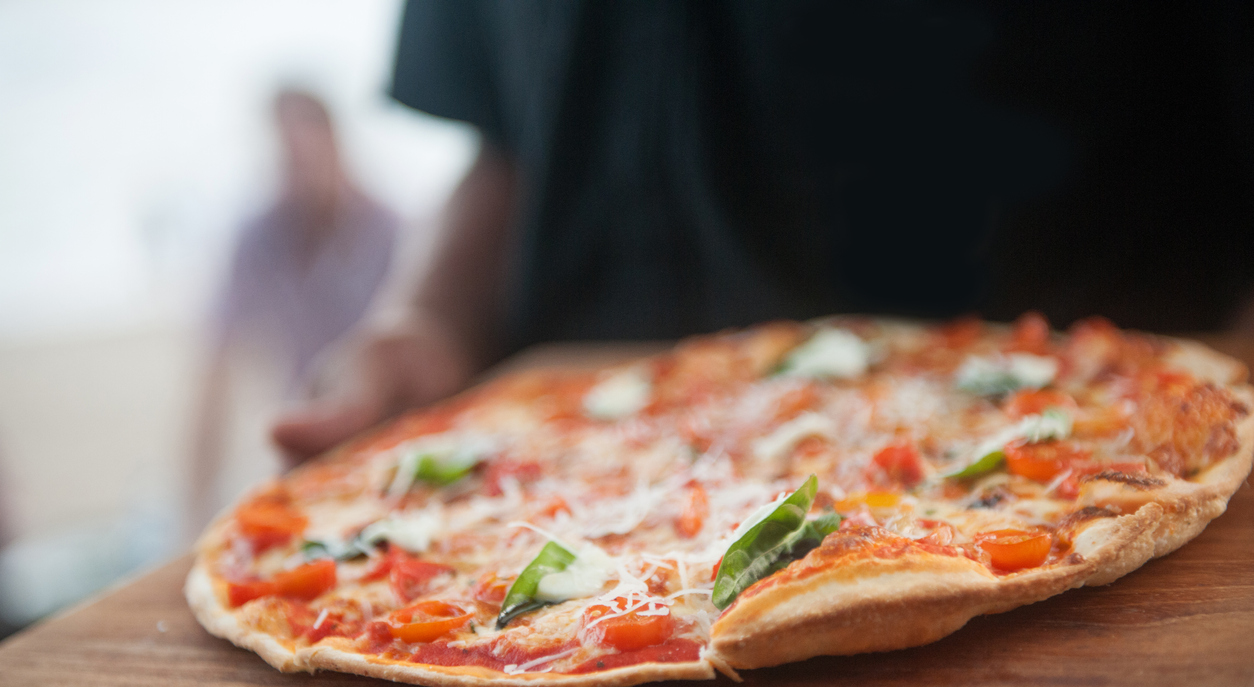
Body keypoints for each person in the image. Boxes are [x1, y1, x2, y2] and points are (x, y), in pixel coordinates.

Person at [273, 0, 1254, 466]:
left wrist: (1203, 433)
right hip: (582, 519)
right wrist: (424, 322)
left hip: (1060, 503)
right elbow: (508, 135)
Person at [191, 88, 400, 528]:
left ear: (335, 142)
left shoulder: (391, 228)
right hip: (302, 442)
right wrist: (193, 502)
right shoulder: (257, 238)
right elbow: (214, 368)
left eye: (304, 153)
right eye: (285, 157)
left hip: (387, 437)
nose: (296, 170)